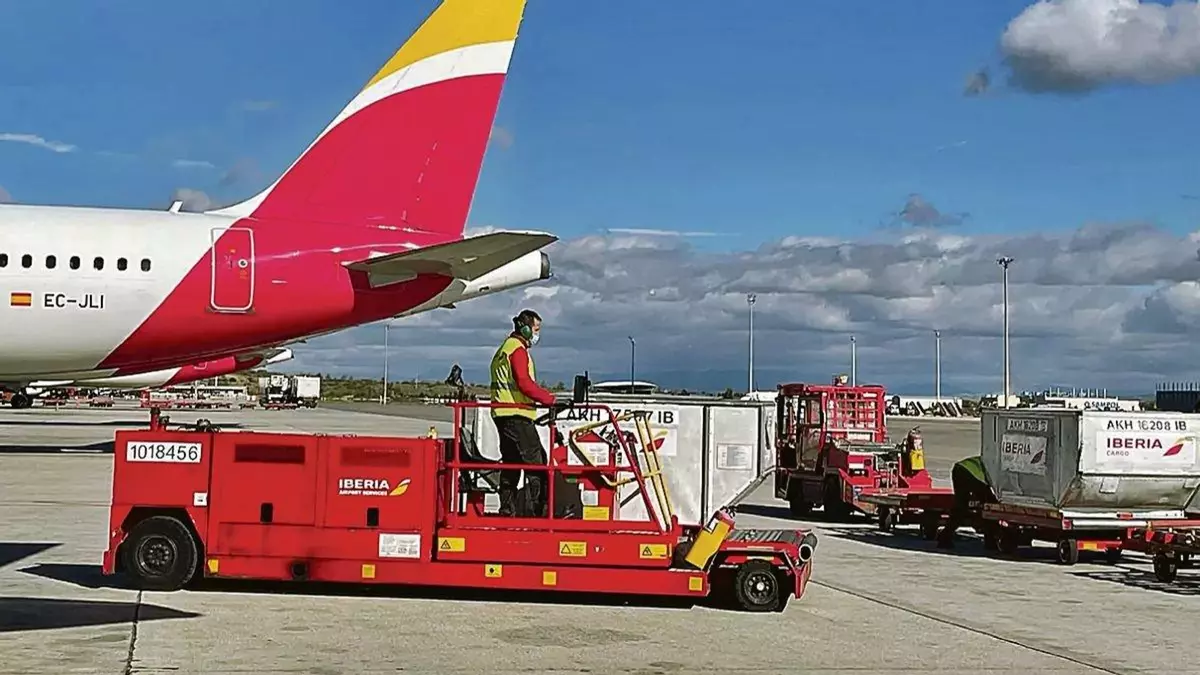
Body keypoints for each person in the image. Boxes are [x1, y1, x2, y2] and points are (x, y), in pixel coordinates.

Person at [489, 309, 559, 517]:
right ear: (526, 329)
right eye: (536, 329)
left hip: (503, 414)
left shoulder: (504, 349)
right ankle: (540, 512)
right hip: (517, 414)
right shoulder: (517, 350)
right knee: (537, 464)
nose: (537, 335)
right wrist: (549, 399)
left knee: (511, 464)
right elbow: (524, 383)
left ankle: (506, 510)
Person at [936, 454, 997, 549]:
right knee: (988, 506)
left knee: (961, 506)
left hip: (959, 469)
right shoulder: (997, 466)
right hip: (973, 474)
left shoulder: (990, 459)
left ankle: (945, 536)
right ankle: (990, 541)